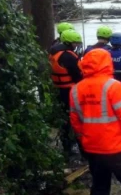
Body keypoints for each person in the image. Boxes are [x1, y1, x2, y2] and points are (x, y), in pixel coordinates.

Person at [69, 48, 121, 195]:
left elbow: (76, 124)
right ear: (107, 63)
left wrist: (85, 142)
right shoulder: (113, 86)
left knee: (100, 187)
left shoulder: (75, 90)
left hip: (93, 149)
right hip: (117, 149)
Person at [49, 29, 83, 158]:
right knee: (74, 117)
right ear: (69, 43)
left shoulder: (54, 51)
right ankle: (73, 145)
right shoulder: (68, 56)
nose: (76, 46)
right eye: (75, 43)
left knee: (65, 117)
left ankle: (67, 144)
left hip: (59, 88)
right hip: (69, 90)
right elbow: (77, 75)